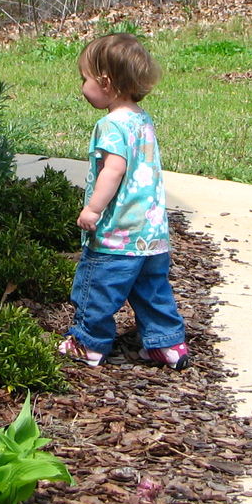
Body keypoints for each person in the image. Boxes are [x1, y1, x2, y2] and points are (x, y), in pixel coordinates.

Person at [57, 33, 189, 370]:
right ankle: (166, 344)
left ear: (105, 82)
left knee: (97, 289)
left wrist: (93, 209)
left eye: (84, 78)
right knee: (152, 291)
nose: (82, 86)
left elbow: (113, 171)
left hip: (118, 235)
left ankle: (87, 342)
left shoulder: (110, 125)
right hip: (152, 234)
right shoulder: (143, 119)